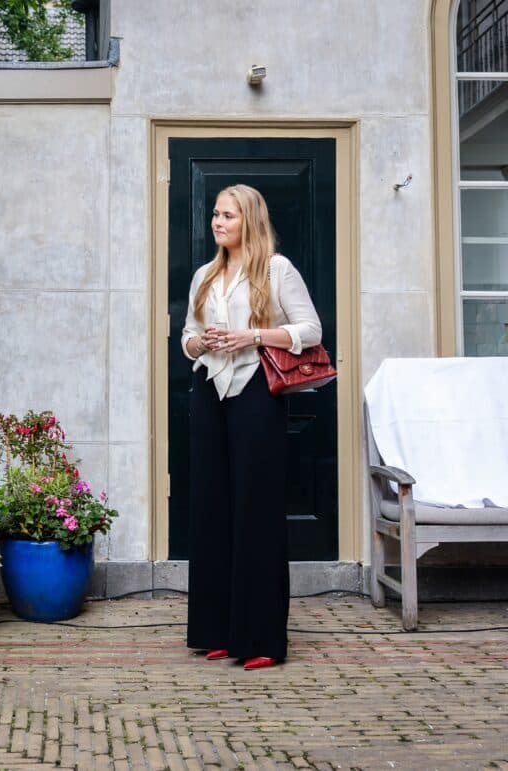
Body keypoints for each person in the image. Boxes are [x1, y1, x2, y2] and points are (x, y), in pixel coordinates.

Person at [181, 184, 322, 671]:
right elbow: (186, 337)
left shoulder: (276, 270)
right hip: (208, 392)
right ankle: (216, 631)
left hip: (257, 392)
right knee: (211, 509)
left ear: (250, 221)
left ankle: (261, 638)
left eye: (228, 216)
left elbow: (311, 331)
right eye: (215, 215)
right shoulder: (205, 274)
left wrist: (252, 335)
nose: (218, 223)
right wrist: (200, 344)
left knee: (256, 511)